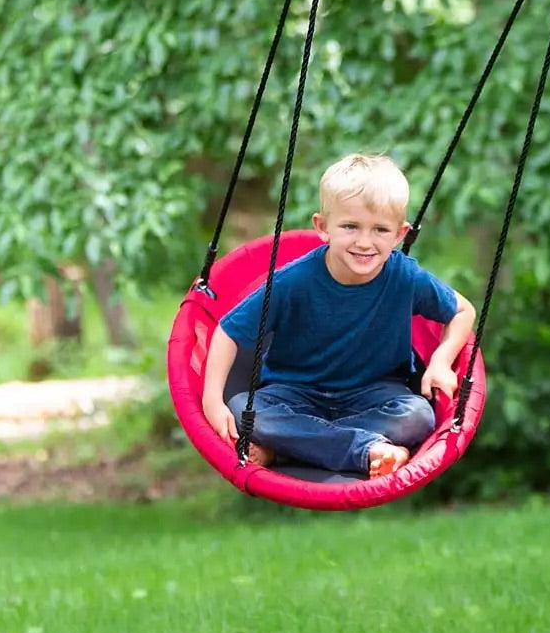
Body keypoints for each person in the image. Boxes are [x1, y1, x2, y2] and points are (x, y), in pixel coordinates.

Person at [201, 153, 476, 478]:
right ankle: (366, 448)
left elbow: (462, 310)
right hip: (294, 393)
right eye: (350, 226)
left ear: (400, 234)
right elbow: (228, 331)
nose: (364, 242)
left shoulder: (405, 277)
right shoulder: (293, 281)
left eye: (380, 230)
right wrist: (212, 401)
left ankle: (288, 447)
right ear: (323, 227)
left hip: (374, 393)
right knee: (246, 410)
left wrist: (441, 361)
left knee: (418, 416)